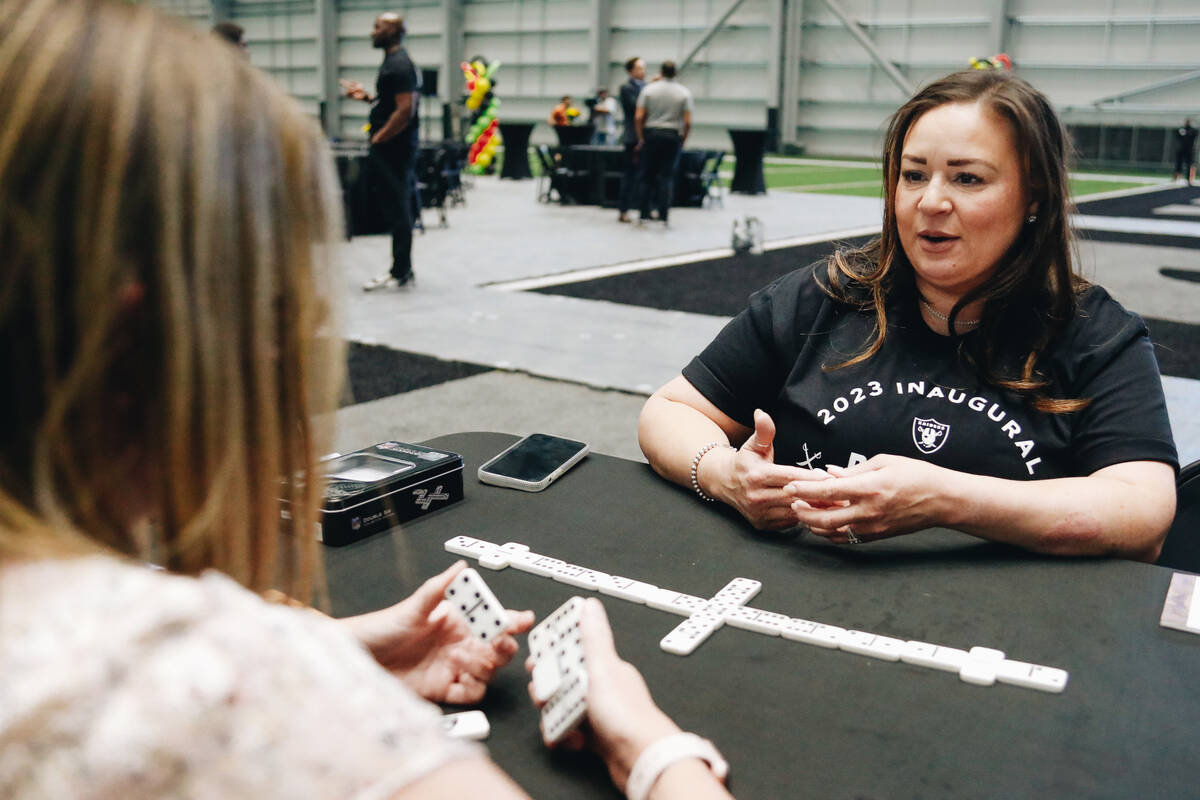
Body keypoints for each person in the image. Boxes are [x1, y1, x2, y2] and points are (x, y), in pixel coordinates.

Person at [0, 2, 734, 799]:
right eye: (274, 296)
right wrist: (650, 747)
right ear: (143, 330)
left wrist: (339, 648)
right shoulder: (205, 674)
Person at [638, 69, 1178, 562]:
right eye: (914, 175)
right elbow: (668, 411)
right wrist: (725, 474)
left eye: (967, 179)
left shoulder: (1095, 334)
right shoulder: (825, 294)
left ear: (1034, 195)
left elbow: (1142, 513)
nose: (931, 202)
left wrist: (945, 499)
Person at [342, 12, 420, 291]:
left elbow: (405, 110)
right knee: (395, 207)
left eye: (378, 27)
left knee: (399, 208)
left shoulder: (399, 65)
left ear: (394, 31)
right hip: (392, 148)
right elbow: (391, 104)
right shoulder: (393, 63)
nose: (372, 32)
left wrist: (379, 138)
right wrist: (367, 98)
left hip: (394, 150)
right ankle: (401, 269)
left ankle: (401, 271)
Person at [635, 60, 693, 227]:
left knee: (647, 176)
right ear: (675, 73)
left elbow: (639, 117)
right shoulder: (683, 93)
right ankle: (663, 214)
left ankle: (644, 213)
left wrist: (641, 137)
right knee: (666, 177)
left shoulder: (649, 90)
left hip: (652, 134)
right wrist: (683, 139)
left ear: (661, 72)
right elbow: (688, 121)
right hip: (672, 135)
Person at [617, 56, 647, 223]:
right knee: (629, 174)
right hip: (632, 137)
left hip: (646, 137)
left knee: (647, 175)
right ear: (631, 71)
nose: (643, 71)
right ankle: (624, 210)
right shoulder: (626, 88)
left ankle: (645, 209)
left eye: (644, 68)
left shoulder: (648, 88)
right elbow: (636, 108)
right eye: (640, 68)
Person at [1172, 118, 1197, 186]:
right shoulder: (1182, 129)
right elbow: (1178, 135)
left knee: (1190, 165)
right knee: (1178, 164)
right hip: (1182, 149)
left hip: (1189, 150)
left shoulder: (1193, 130)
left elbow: (1194, 136)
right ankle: (1176, 178)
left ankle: (1189, 180)